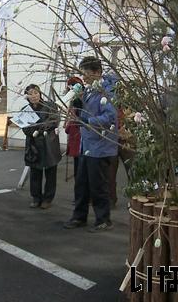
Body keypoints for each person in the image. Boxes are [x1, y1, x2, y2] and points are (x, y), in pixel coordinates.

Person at [64, 56, 118, 232]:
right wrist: (78, 102)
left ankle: (103, 219)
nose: (84, 77)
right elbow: (83, 111)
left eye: (86, 73)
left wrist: (87, 120)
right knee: (81, 184)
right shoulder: (89, 90)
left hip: (100, 146)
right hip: (86, 145)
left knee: (98, 186)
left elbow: (110, 117)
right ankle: (79, 217)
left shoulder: (107, 91)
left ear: (98, 73)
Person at [22, 84, 62, 209]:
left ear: (40, 94)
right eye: (30, 93)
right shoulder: (25, 110)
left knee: (50, 173)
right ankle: (36, 198)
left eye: (36, 93)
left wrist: (37, 130)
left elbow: (53, 122)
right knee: (35, 172)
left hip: (48, 143)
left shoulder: (50, 106)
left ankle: (48, 199)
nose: (34, 96)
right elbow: (25, 128)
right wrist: (34, 131)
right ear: (27, 96)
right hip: (34, 145)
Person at [64, 77, 83, 205]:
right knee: (78, 172)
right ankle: (79, 197)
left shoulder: (79, 104)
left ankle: (81, 197)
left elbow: (71, 124)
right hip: (75, 142)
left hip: (80, 142)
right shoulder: (73, 104)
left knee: (81, 173)